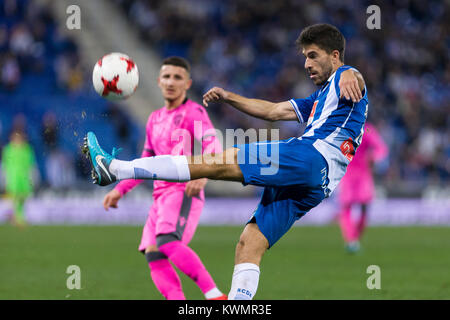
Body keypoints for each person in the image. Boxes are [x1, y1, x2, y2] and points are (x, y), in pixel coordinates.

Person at [83, 24, 366, 300]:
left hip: (311, 157)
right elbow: (273, 110)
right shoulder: (319, 99)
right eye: (304, 56)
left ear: (335, 56)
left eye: (313, 55)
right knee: (250, 242)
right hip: (318, 182)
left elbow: (355, 80)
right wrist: (229, 97)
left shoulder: (346, 78)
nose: (306, 63)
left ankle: (116, 168)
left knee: (221, 161)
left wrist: (349, 72)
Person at [100, 57, 226, 300]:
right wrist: (119, 190)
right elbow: (144, 162)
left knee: (167, 241)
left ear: (187, 84)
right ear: (158, 81)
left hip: (183, 190)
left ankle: (216, 296)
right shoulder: (154, 119)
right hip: (159, 196)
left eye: (177, 77)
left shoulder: (194, 112)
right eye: (166, 77)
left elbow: (212, 144)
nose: (171, 82)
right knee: (153, 254)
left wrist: (205, 174)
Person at [338, 122, 388, 253]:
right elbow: (381, 149)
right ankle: (351, 240)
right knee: (348, 208)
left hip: (360, 174)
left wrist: (372, 157)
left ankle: (353, 239)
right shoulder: (359, 129)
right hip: (349, 174)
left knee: (360, 208)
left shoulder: (363, 130)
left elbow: (381, 149)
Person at [1, 130, 37, 227]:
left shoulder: (27, 149)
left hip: (24, 177)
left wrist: (33, 177)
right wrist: (4, 177)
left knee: (23, 197)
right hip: (13, 177)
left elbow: (31, 164)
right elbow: (4, 165)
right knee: (15, 197)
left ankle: (17, 216)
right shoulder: (8, 149)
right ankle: (19, 218)